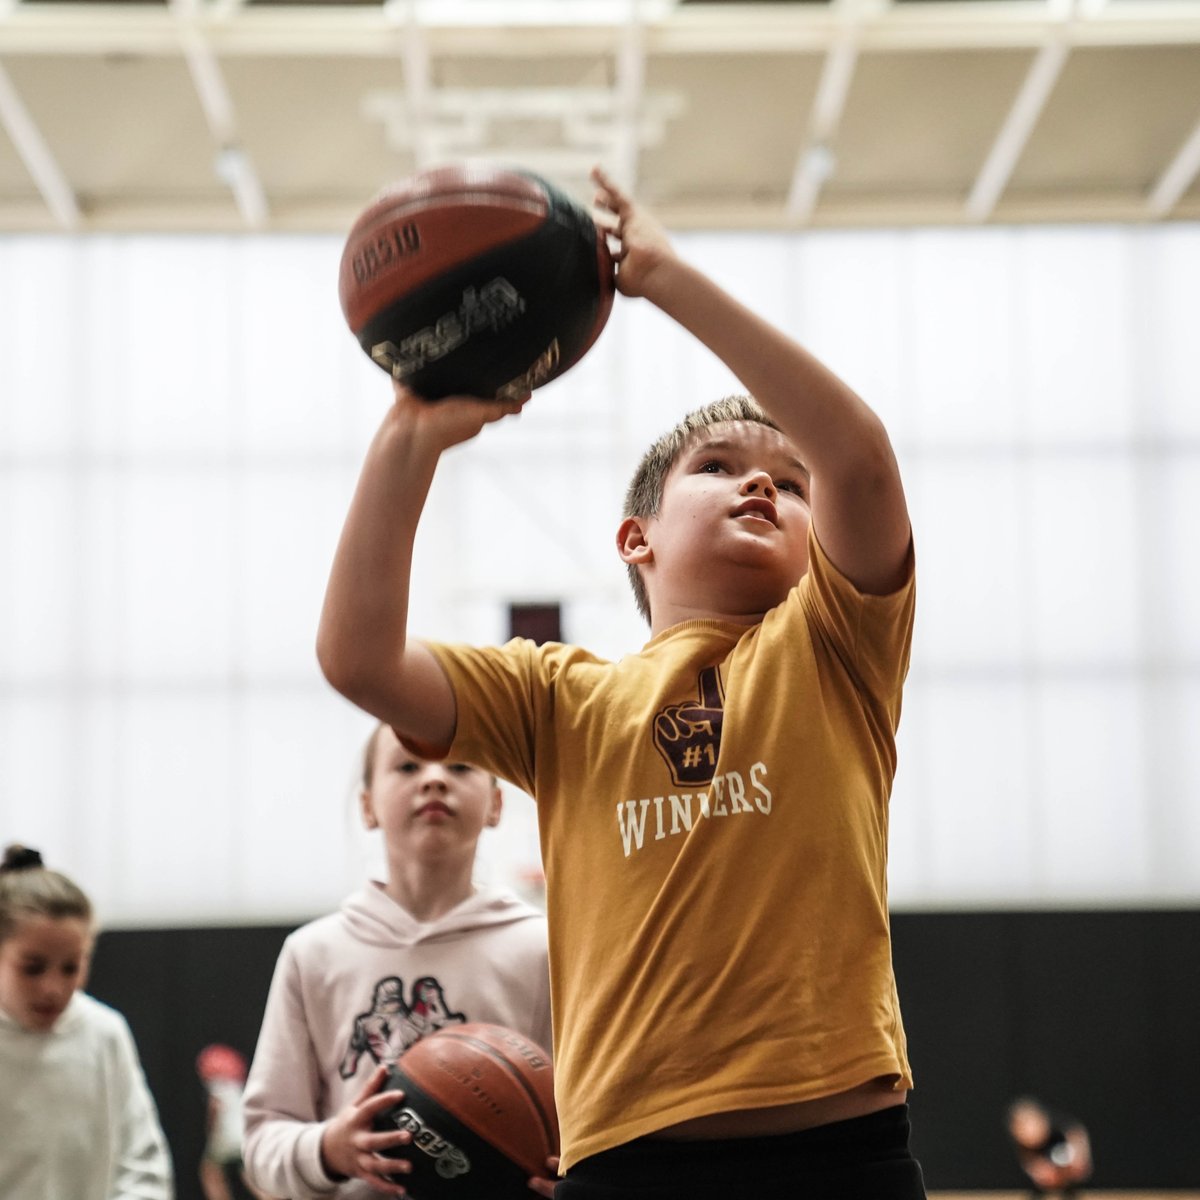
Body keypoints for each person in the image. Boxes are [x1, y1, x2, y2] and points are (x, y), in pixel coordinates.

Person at [316, 164, 923, 1198]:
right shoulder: (560, 700)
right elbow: (359, 657)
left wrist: (669, 280)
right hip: (625, 1160)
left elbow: (859, 457)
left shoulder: (834, 646)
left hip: (837, 1150)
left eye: (789, 479)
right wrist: (407, 438)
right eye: (721, 465)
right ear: (635, 538)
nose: (763, 480)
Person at [241, 723, 554, 1199]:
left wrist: (567, 1172)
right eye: (408, 765)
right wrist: (329, 1148)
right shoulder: (314, 954)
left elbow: (586, 1122)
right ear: (367, 806)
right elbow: (262, 1141)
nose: (434, 778)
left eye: (460, 765)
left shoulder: (542, 948)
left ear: (495, 804)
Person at [0, 843, 174, 1200]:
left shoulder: (104, 1034)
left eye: (71, 967)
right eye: (32, 968)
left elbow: (144, 1166)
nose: (53, 987)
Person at [197, 1043, 276, 1200]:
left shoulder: (217, 1087)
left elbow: (215, 1110)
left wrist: (210, 1131)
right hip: (244, 1136)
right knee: (247, 1173)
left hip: (226, 1139)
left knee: (209, 1170)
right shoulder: (237, 1088)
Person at [1006, 1096, 1093, 1198]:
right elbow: (1030, 1162)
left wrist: (1079, 1159)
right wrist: (1038, 1172)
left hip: (1064, 1153)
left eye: (1031, 1124)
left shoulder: (1062, 1130)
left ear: (1041, 1119)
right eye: (1021, 1127)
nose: (1028, 1130)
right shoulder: (1023, 1142)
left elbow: (1076, 1135)